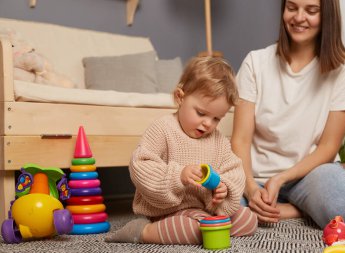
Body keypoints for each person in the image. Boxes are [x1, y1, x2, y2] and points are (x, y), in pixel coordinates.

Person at [231, 0, 345, 229]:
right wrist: (250, 189)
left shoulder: (344, 68)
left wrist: (281, 178)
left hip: (312, 176)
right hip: (258, 179)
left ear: (327, 16)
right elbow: (240, 139)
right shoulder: (255, 62)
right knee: (224, 208)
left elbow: (328, 148)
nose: (299, 18)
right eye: (292, 8)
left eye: (311, 11)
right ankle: (300, 209)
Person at [105, 56, 258, 245]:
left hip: (203, 212)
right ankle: (142, 231)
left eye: (217, 118)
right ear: (180, 97)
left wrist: (223, 188)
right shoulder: (163, 128)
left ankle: (203, 227)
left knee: (248, 219)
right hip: (165, 212)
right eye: (201, 113)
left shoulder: (218, 140)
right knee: (191, 230)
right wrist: (179, 176)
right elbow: (140, 165)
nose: (208, 123)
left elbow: (234, 170)